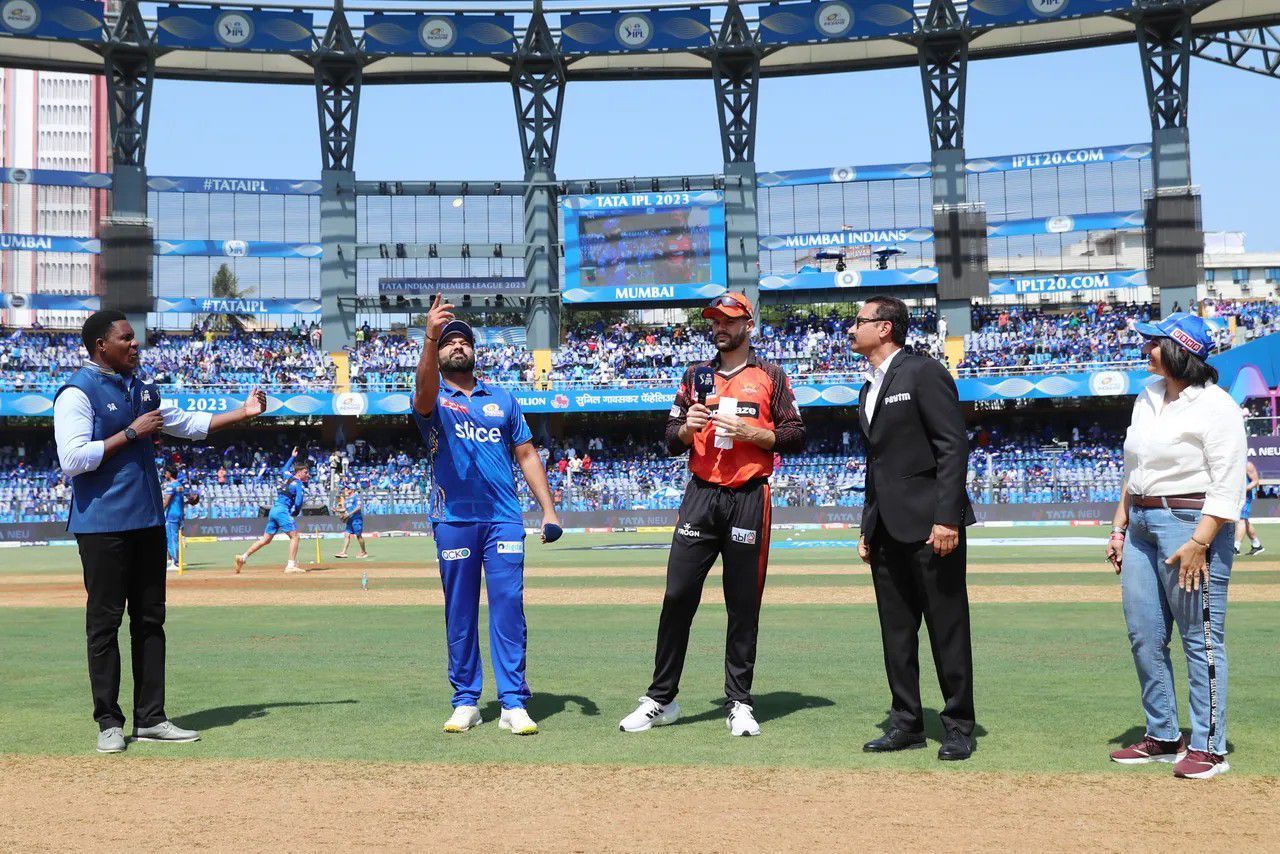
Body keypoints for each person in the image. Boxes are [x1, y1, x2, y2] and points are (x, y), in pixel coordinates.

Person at [53, 310, 266, 754]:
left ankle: (151, 718)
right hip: (101, 527)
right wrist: (132, 433)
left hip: (148, 522)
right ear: (100, 346)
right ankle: (109, 722)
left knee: (151, 622)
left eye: (135, 339)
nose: (136, 345)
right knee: (104, 625)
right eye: (126, 339)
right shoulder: (76, 392)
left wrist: (243, 413)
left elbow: (189, 425)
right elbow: (71, 460)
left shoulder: (142, 388)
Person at [619, 292, 805, 737]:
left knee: (743, 604)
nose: (719, 326)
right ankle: (661, 699)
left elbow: (796, 434)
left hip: (748, 496)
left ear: (747, 325)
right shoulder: (694, 375)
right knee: (677, 595)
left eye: (728, 320)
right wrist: (687, 427)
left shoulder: (770, 376)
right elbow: (670, 437)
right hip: (700, 497)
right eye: (714, 320)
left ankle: (739, 701)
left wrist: (755, 433)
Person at [412, 295, 561, 736]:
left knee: (508, 608)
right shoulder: (433, 396)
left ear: (474, 351)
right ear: (439, 352)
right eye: (449, 342)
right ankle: (466, 701)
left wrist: (549, 510)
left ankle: (513, 702)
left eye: (463, 341)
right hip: (454, 519)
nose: (457, 346)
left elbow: (527, 453)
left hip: (503, 518)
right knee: (460, 612)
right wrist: (429, 335)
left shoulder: (503, 399)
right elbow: (421, 393)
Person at [1105, 312, 1245, 780]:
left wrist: (1201, 541)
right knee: (1144, 634)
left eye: (1154, 343)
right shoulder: (1147, 396)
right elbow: (1133, 468)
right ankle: (1163, 734)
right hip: (1141, 521)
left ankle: (1210, 747)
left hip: (1190, 524)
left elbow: (1228, 485)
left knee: (1200, 639)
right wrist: (1119, 525)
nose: (1146, 350)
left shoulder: (1217, 406)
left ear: (1180, 349)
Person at [848, 295, 977, 761]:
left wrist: (947, 518)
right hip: (886, 529)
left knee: (947, 628)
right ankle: (906, 723)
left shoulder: (923, 372)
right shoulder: (867, 387)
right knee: (895, 633)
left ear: (884, 328)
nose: (850, 329)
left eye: (858, 322)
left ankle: (959, 725)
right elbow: (875, 465)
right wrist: (867, 526)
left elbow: (952, 447)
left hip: (931, 527)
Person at [234, 446, 311, 574]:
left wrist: (292, 457)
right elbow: (298, 503)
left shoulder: (287, 476)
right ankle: (290, 565)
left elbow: (284, 469)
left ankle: (243, 557)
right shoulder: (298, 484)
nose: (308, 475)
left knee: (266, 539)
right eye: (306, 472)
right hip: (282, 511)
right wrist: (296, 512)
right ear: (299, 473)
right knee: (295, 536)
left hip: (274, 510)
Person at [1234, 461, 1265, 556]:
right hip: (1235, 496)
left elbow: (1255, 481)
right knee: (1244, 521)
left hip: (1245, 496)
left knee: (1241, 519)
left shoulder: (1247, 465)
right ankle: (1257, 545)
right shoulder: (1233, 463)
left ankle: (1236, 548)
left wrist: (1243, 490)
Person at [334, 484, 369, 559]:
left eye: (348, 488)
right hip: (350, 519)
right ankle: (343, 552)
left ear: (352, 490)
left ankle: (364, 552)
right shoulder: (347, 500)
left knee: (358, 536)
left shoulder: (356, 497)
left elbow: (358, 507)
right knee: (347, 534)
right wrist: (337, 510)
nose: (346, 489)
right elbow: (345, 510)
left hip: (356, 519)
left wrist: (349, 514)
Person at [162, 465, 186, 572]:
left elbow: (166, 502)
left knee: (172, 538)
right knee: (175, 537)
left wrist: (159, 512)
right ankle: (175, 560)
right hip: (179, 514)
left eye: (166, 473)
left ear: (169, 474)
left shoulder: (171, 486)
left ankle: (175, 562)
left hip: (172, 515)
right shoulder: (179, 485)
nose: (165, 474)